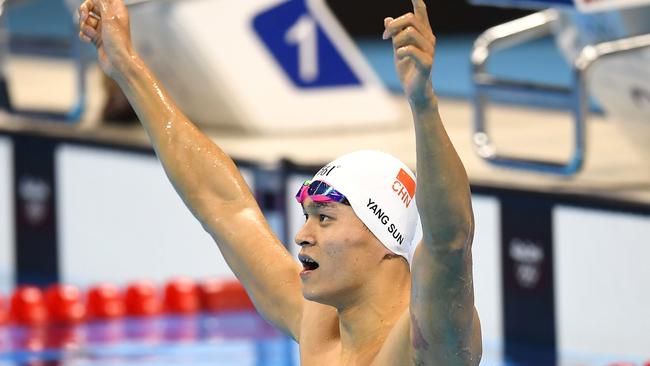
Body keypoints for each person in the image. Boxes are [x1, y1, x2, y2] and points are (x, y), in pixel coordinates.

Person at [78, 0, 482, 364]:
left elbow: (450, 240)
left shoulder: (430, 344)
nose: (302, 235)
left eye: (324, 218)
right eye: (307, 216)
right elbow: (224, 208)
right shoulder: (319, 331)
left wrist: (422, 101)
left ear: (383, 235)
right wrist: (127, 66)